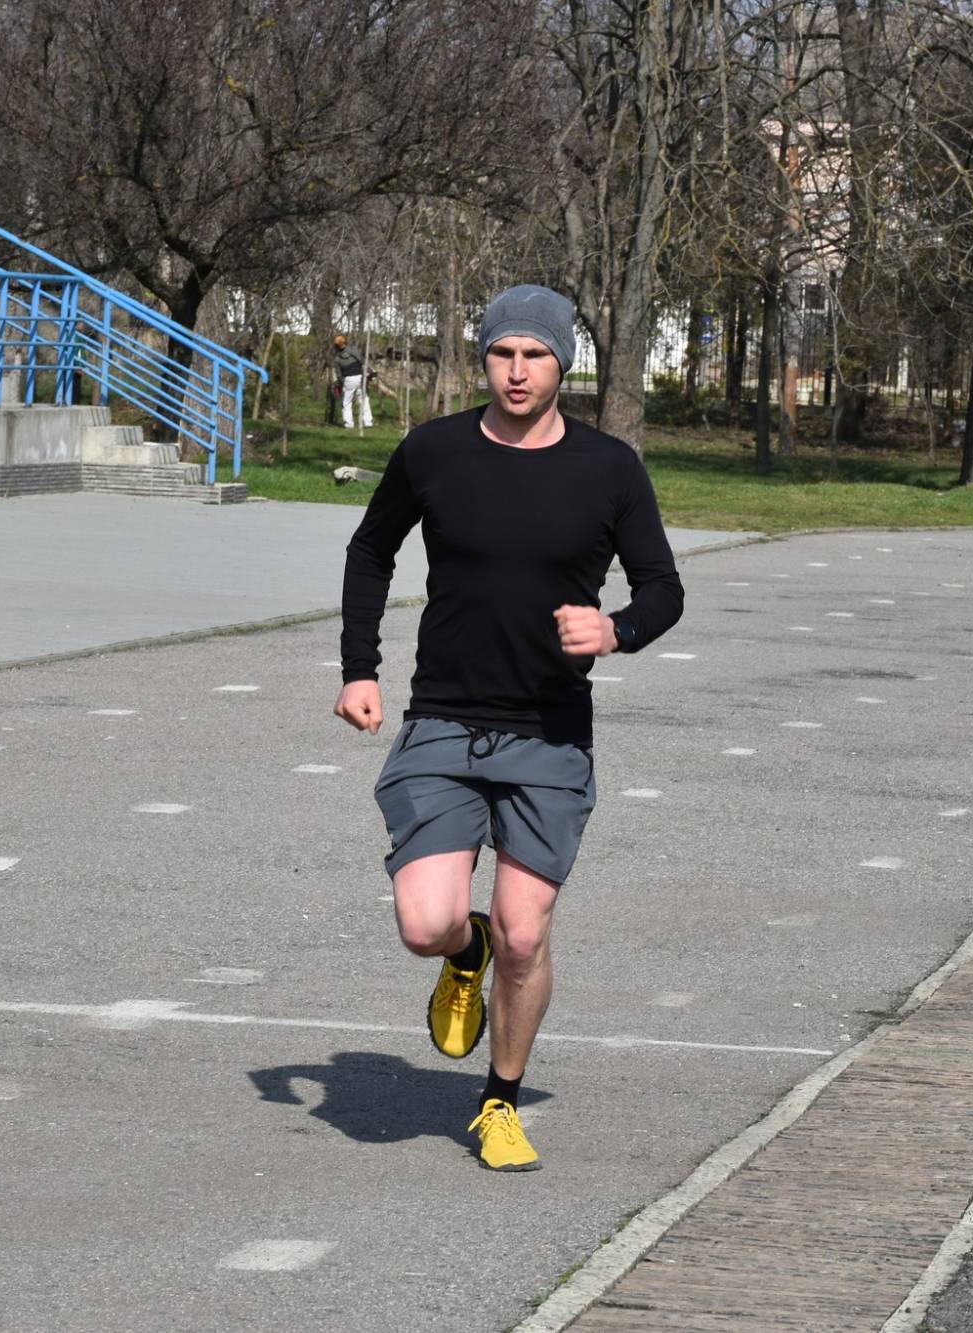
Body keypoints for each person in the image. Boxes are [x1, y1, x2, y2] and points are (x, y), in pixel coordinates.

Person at [334, 284, 685, 1171]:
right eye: (502, 353)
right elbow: (371, 550)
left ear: (563, 362)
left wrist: (616, 630)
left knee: (527, 934)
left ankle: (499, 1101)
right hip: (445, 719)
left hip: (550, 732)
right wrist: (359, 667)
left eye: (535, 355)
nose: (518, 371)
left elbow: (663, 587)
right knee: (427, 922)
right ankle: (467, 952)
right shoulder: (434, 451)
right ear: (483, 358)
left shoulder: (609, 468)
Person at [332, 334, 373, 432]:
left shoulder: (337, 359)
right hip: (360, 377)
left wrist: (342, 383)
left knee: (346, 403)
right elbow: (362, 361)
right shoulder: (353, 350)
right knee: (364, 399)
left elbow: (339, 374)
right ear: (345, 342)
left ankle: (349, 424)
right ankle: (368, 422)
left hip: (348, 379)